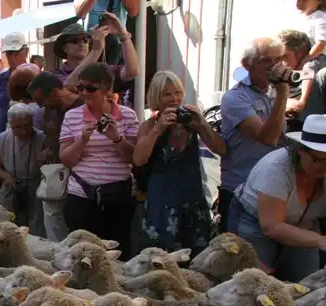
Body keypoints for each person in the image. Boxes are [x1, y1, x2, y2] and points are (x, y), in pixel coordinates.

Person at [133, 71, 225, 253]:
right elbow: (138, 159)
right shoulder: (149, 126)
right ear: (156, 96)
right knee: (161, 257)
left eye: (178, 92)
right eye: (167, 94)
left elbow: (221, 149)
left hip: (192, 199)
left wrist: (202, 124)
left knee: (195, 258)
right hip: (162, 202)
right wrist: (158, 129)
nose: (174, 98)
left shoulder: (191, 122)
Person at [231, 115, 326, 282]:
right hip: (255, 221)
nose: (324, 166)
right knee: (256, 282)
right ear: (301, 150)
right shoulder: (275, 168)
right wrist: (320, 240)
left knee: (306, 283)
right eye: (319, 159)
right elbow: (272, 226)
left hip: (304, 223)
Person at [59, 62, 139, 249]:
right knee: (81, 250)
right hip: (81, 194)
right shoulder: (71, 116)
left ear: (107, 90)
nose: (84, 93)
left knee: (117, 250)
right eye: (80, 87)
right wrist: (82, 140)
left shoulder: (128, 115)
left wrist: (116, 137)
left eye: (90, 88)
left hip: (117, 195)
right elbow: (66, 159)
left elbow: (134, 158)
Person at [219, 37, 291, 233]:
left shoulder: (275, 92)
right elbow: (268, 139)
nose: (274, 67)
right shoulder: (235, 97)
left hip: (271, 187)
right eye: (266, 60)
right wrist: (283, 94)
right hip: (239, 189)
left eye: (278, 60)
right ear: (247, 64)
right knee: (235, 250)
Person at [28, 72, 86, 242]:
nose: (41, 106)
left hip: (78, 174)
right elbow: (49, 135)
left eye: (42, 101)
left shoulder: (81, 108)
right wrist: (45, 151)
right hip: (54, 174)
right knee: (53, 219)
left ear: (55, 92)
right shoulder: (50, 111)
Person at [54, 17, 139, 109]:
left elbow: (132, 71)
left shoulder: (102, 70)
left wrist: (124, 36)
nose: (82, 44)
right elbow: (69, 86)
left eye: (86, 40)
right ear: (64, 48)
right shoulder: (55, 75)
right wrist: (96, 50)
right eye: (75, 40)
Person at [0, 103, 44, 235]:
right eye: (18, 127)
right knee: (7, 219)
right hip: (12, 183)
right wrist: (7, 177)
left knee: (37, 221)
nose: (24, 131)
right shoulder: (3, 138)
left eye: (27, 126)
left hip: (35, 183)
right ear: (10, 124)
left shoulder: (42, 138)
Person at [285, 0, 326, 123]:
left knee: (308, 69)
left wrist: (305, 59)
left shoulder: (321, 19)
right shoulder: (305, 18)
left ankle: (302, 102)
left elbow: (321, 42)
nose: (300, 2)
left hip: (318, 57)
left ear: (319, 0)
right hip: (307, 55)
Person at [0, 32, 29, 133]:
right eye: (9, 54)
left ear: (26, 51)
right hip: (4, 137)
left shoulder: (37, 77)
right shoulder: (1, 79)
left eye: (16, 53)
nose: (12, 58)